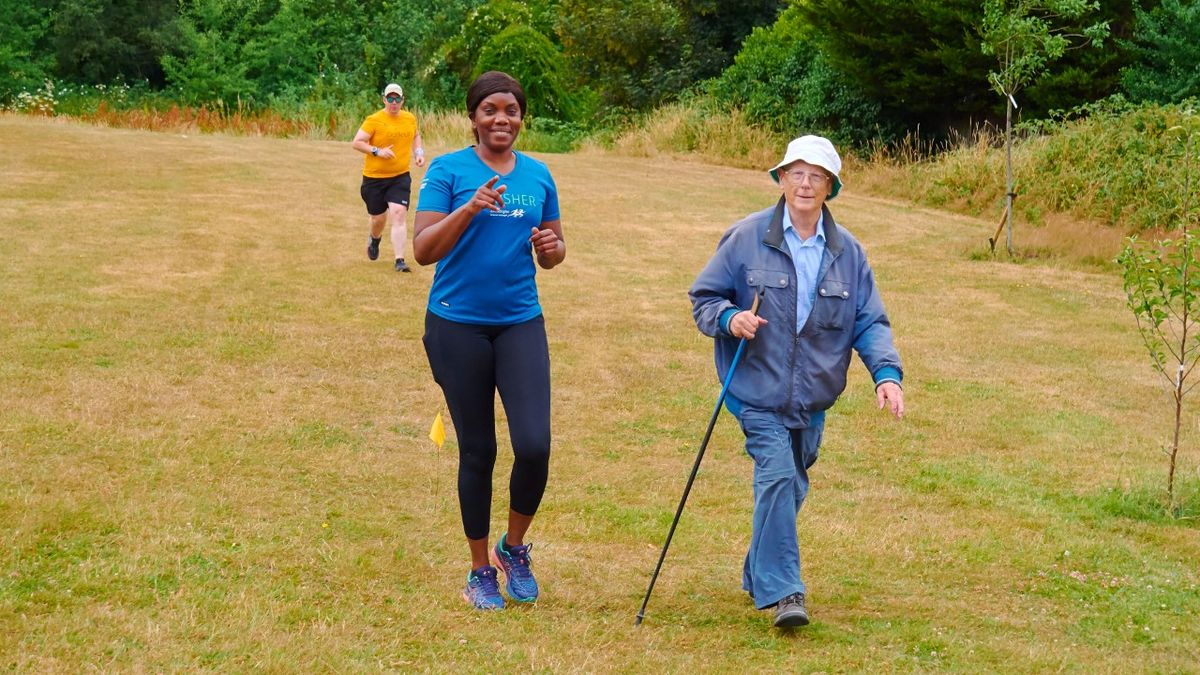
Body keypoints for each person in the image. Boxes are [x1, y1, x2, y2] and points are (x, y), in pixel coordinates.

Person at [689, 135, 905, 629]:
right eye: (797, 173)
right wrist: (730, 318)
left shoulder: (849, 253)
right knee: (778, 475)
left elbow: (869, 322)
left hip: (812, 398)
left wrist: (886, 375)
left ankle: (755, 569)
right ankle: (785, 592)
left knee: (793, 483)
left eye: (818, 176)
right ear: (781, 179)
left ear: (830, 187)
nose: (806, 184)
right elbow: (704, 297)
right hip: (755, 391)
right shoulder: (745, 238)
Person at [413, 71, 566, 610]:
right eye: (490, 110)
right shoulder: (447, 170)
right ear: (473, 117)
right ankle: (480, 569)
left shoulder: (539, 174)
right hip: (457, 324)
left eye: (512, 110)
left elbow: (554, 250)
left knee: (534, 445)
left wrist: (550, 248)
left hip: (520, 320)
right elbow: (425, 247)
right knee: (478, 449)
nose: (502, 119)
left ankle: (513, 547)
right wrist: (471, 206)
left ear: (522, 118)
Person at [352, 82, 425, 272]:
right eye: (390, 98)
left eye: (397, 98)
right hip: (374, 179)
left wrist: (418, 152)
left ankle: (399, 260)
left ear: (402, 100)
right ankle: (374, 239)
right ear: (384, 99)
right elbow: (357, 142)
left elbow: (416, 135)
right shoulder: (374, 120)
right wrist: (377, 151)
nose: (394, 102)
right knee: (378, 219)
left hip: (400, 176)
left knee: (399, 213)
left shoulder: (409, 118)